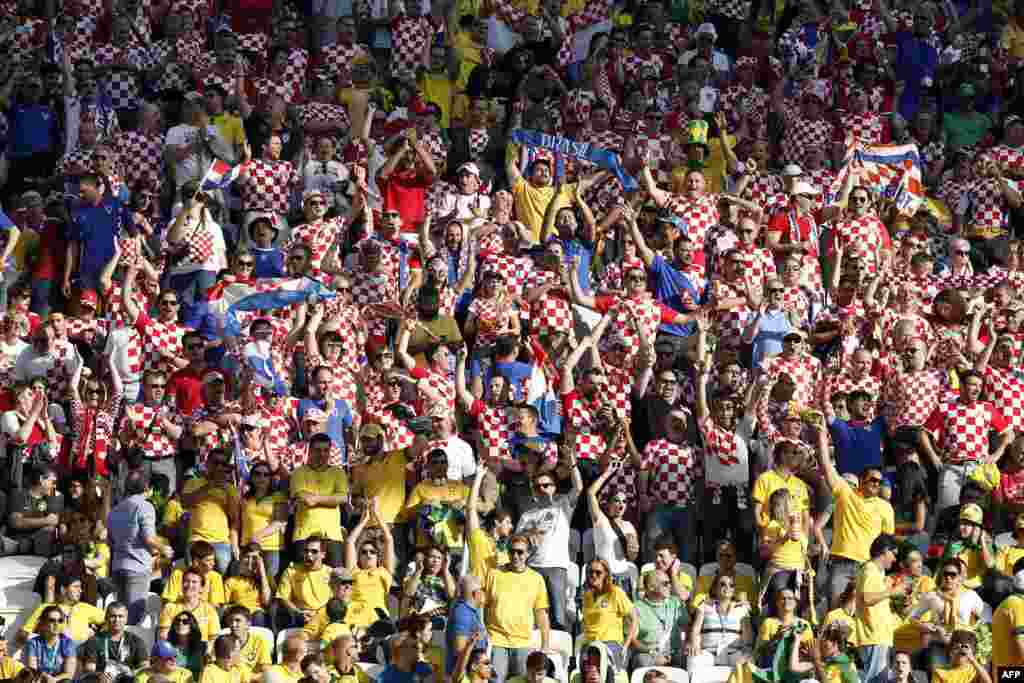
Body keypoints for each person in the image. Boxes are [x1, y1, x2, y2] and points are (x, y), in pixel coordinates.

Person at [108, 468, 173, 624]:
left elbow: (110, 541)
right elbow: (149, 537)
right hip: (137, 568)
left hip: (118, 568)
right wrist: (164, 549)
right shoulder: (145, 506)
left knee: (121, 618)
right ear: (147, 488)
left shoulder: (115, 510)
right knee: (133, 618)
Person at [484, 533, 552, 683]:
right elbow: (483, 606)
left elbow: (541, 613)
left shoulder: (536, 579)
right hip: (496, 640)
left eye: (520, 552)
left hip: (523, 642)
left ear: (527, 554)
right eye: (511, 551)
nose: (515, 555)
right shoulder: (494, 574)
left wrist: (545, 645)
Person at [687, 572, 754, 671]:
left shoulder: (742, 609)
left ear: (734, 590)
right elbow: (696, 629)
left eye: (731, 585)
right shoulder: (704, 606)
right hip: (709, 652)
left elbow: (747, 633)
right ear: (714, 588)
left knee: (748, 663)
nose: (727, 587)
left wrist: (747, 651)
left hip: (734, 652)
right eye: (722, 584)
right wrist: (694, 643)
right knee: (694, 659)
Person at [274, 534, 333, 630]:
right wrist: (298, 612)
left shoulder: (331, 573)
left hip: (324, 617)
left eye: (314, 551)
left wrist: (317, 614)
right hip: (299, 616)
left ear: (323, 554)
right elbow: (283, 598)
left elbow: (333, 601)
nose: (309, 555)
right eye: (306, 551)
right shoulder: (291, 571)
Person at [631, 569, 687, 669]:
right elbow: (632, 640)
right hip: (649, 653)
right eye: (666, 583)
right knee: (641, 660)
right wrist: (652, 653)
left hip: (674, 653)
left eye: (670, 582)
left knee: (689, 657)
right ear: (651, 587)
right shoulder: (637, 608)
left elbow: (687, 625)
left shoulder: (675, 603)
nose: (670, 586)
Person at [25, 605, 77, 681]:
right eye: (52, 620)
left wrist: (54, 680)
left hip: (60, 680)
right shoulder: (34, 643)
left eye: (60, 620)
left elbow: (69, 673)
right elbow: (33, 670)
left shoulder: (68, 643)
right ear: (43, 623)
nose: (56, 623)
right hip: (40, 679)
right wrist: (46, 678)